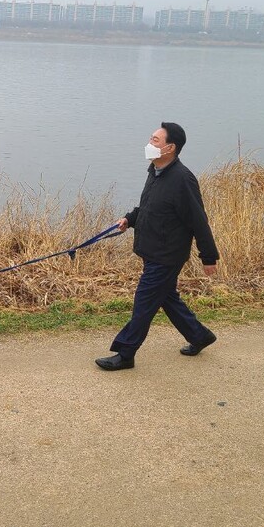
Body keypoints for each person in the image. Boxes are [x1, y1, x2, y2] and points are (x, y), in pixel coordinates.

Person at [95, 122, 219, 371]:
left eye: (155, 140)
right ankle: (199, 335)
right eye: (151, 139)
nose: (149, 144)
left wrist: (208, 256)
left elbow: (198, 220)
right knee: (167, 298)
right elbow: (149, 207)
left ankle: (125, 352)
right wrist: (130, 219)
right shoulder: (156, 170)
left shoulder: (183, 180)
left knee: (144, 301)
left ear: (170, 148)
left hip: (167, 255)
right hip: (152, 250)